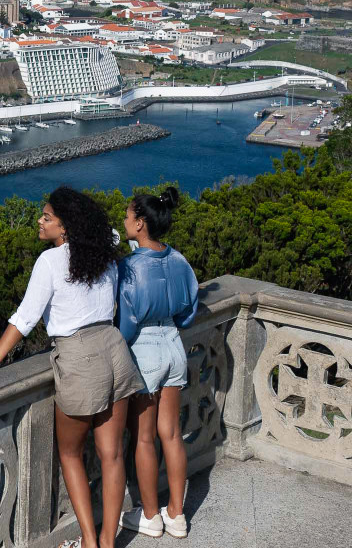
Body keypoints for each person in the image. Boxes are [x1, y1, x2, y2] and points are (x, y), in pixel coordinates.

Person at [0, 186, 143, 548]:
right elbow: (108, 232)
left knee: (70, 453)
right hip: (115, 349)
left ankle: (90, 542)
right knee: (112, 454)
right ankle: (108, 541)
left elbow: (24, 319)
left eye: (47, 217)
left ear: (65, 227)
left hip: (80, 358)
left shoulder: (50, 262)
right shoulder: (101, 252)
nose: (39, 221)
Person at [116, 186, 199, 540]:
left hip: (144, 350)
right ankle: (177, 515)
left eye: (127, 215)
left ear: (140, 224)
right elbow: (189, 311)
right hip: (174, 347)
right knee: (172, 434)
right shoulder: (179, 260)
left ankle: (150, 516)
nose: (123, 219)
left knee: (145, 439)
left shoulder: (130, 267)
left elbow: (126, 323)